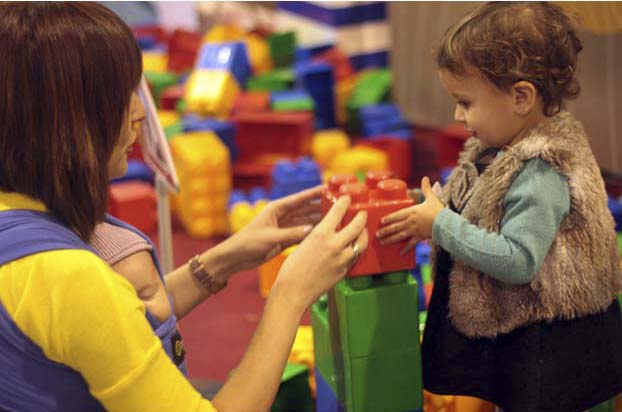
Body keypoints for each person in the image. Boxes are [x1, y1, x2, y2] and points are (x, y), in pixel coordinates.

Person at [0, 3, 369, 412]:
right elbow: (93, 306)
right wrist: (289, 294)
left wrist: (223, 260)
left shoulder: (20, 224)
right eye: (121, 96)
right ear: (65, 119)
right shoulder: (67, 276)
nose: (140, 112)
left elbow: (112, 321)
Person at [377, 2, 622, 411]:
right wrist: (425, 208)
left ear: (521, 97)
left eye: (465, 102)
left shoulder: (542, 169)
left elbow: (518, 260)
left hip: (548, 336)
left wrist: (439, 224)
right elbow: (471, 204)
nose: (457, 115)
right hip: (513, 324)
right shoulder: (497, 148)